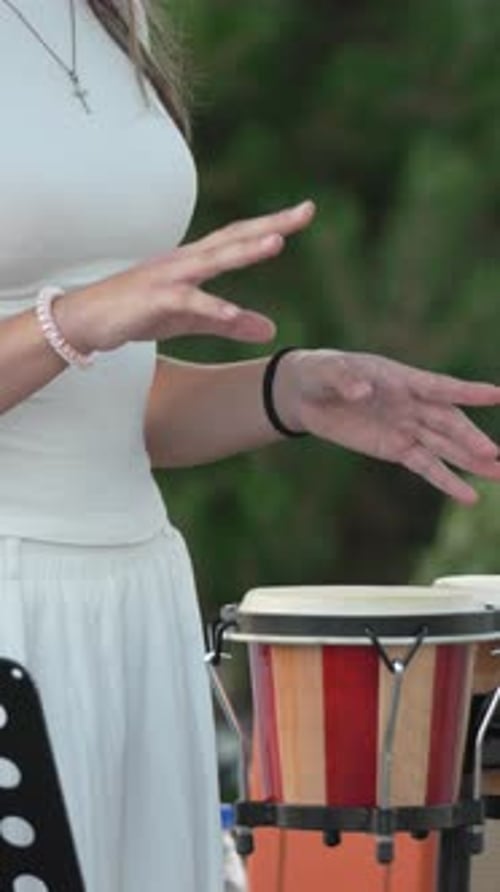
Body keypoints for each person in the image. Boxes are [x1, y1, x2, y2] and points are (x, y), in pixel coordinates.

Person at [0, 2, 500, 890]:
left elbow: (112, 409)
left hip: (133, 598)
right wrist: (75, 319)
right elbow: (76, 332)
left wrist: (286, 391)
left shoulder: (112, 15)